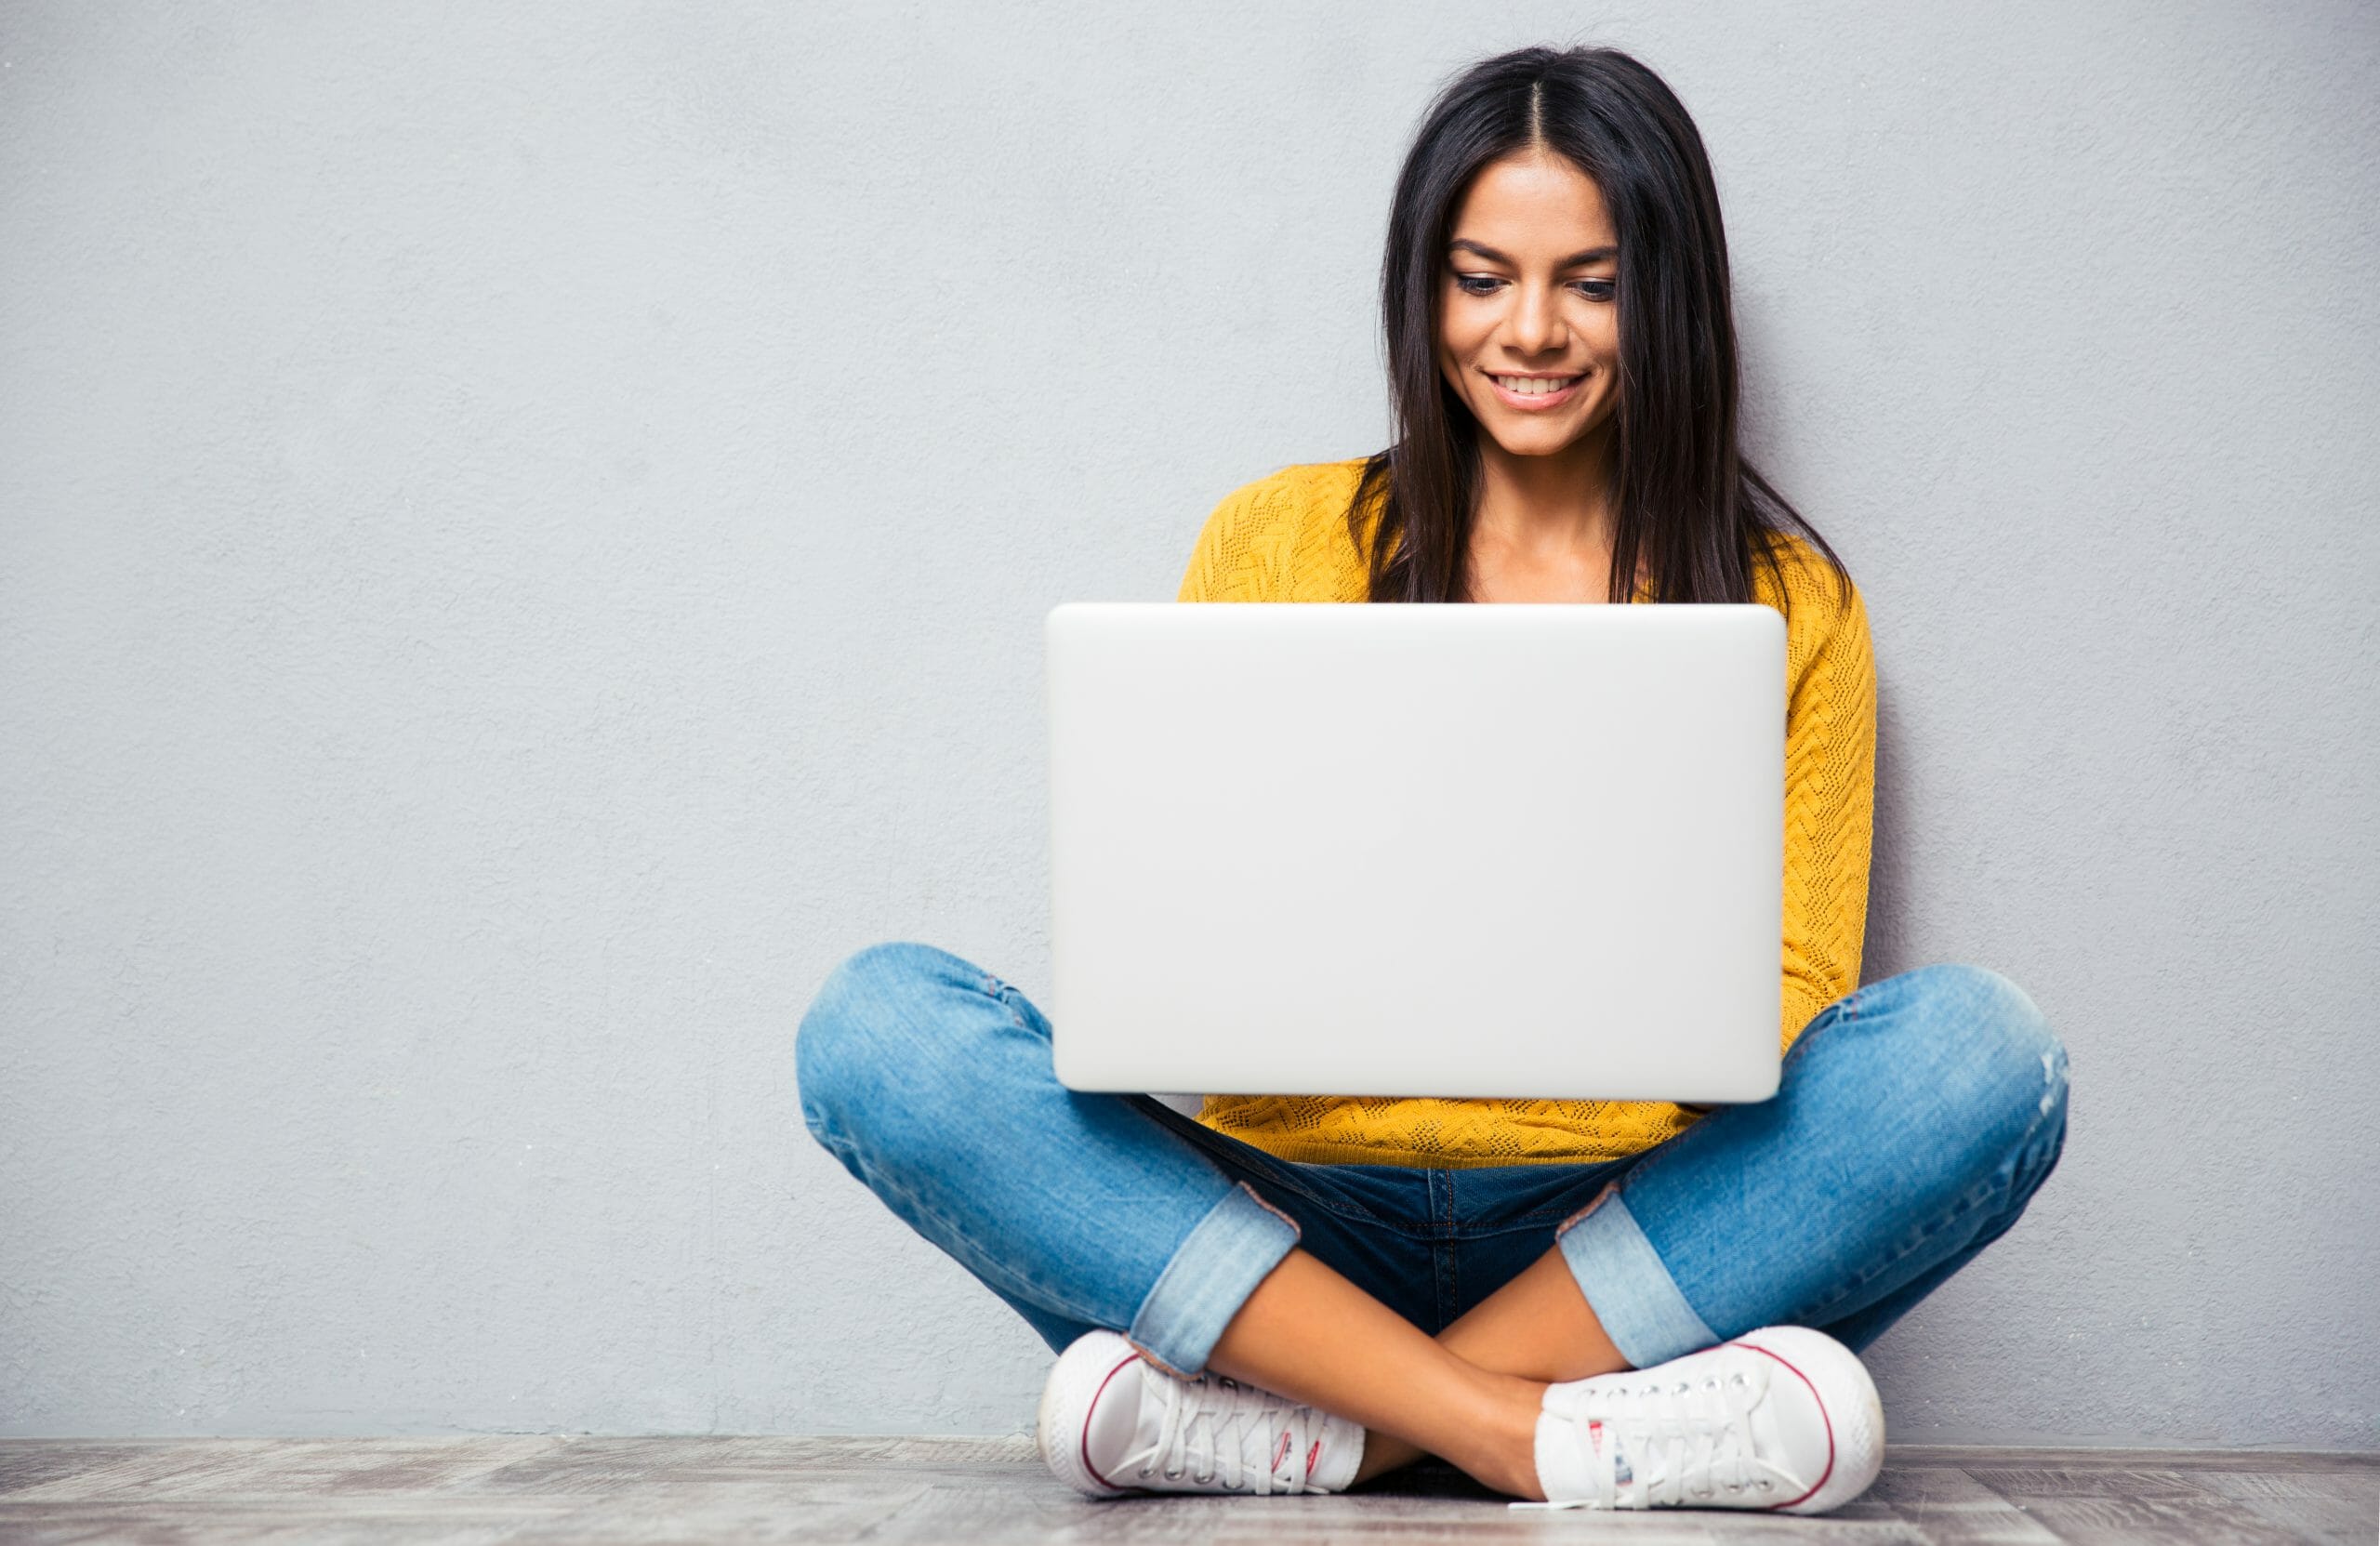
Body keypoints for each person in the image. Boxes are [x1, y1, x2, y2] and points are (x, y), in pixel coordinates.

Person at [794, 43, 2069, 1515]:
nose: (1532, 330)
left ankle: (1329, 1428)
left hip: (1621, 1236)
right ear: (1424, 289)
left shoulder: (1792, 604)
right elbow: (1185, 946)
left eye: (1592, 281)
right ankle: (1533, 1435)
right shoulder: (1276, 543)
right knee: (879, 1031)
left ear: (1667, 298)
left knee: (1985, 1056)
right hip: (1287, 1226)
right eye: (1483, 277)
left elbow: (1789, 1002)